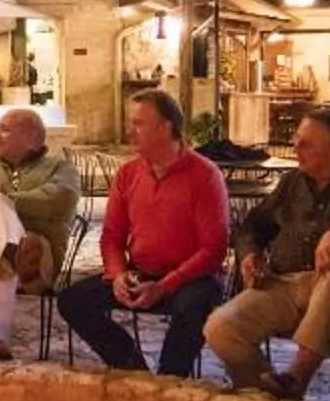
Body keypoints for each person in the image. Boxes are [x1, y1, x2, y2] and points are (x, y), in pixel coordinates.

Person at [206, 108, 330, 401]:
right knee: (220, 326)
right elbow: (253, 226)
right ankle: (267, 394)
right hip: (287, 286)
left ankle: (296, 377)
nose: (295, 148)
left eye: (306, 143)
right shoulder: (292, 183)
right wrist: (250, 254)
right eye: (296, 141)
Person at [58, 90, 228, 377]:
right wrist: (117, 275)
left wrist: (165, 285)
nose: (129, 131)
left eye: (139, 123)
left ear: (166, 127)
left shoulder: (204, 175)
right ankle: (133, 370)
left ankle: (169, 382)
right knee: (72, 300)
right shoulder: (129, 173)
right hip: (142, 272)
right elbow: (112, 235)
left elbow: (213, 250)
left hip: (191, 276)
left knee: (194, 307)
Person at [0, 108, 83, 360]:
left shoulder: (61, 169)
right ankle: (11, 253)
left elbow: (61, 199)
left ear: (32, 138)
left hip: (38, 261)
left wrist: (6, 202)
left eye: (5, 129)